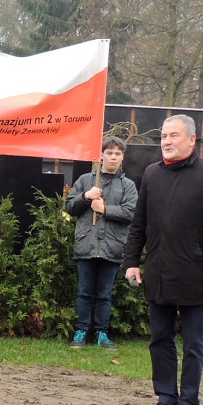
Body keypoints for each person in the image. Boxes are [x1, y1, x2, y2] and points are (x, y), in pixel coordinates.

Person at [124, 114, 203, 405]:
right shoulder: (152, 174)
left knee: (194, 345)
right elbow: (138, 224)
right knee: (160, 339)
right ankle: (166, 399)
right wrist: (132, 261)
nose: (167, 142)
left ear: (192, 140)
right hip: (158, 273)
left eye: (173, 136)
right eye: (163, 137)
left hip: (198, 276)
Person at [65, 136, 137, 350]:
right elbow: (69, 207)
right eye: (109, 153)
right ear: (102, 155)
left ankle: (102, 333)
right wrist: (85, 197)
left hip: (112, 247)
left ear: (122, 157)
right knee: (84, 292)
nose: (113, 157)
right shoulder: (86, 181)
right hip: (86, 245)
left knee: (105, 294)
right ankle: (81, 331)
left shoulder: (128, 185)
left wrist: (105, 209)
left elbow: (131, 212)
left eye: (117, 154)